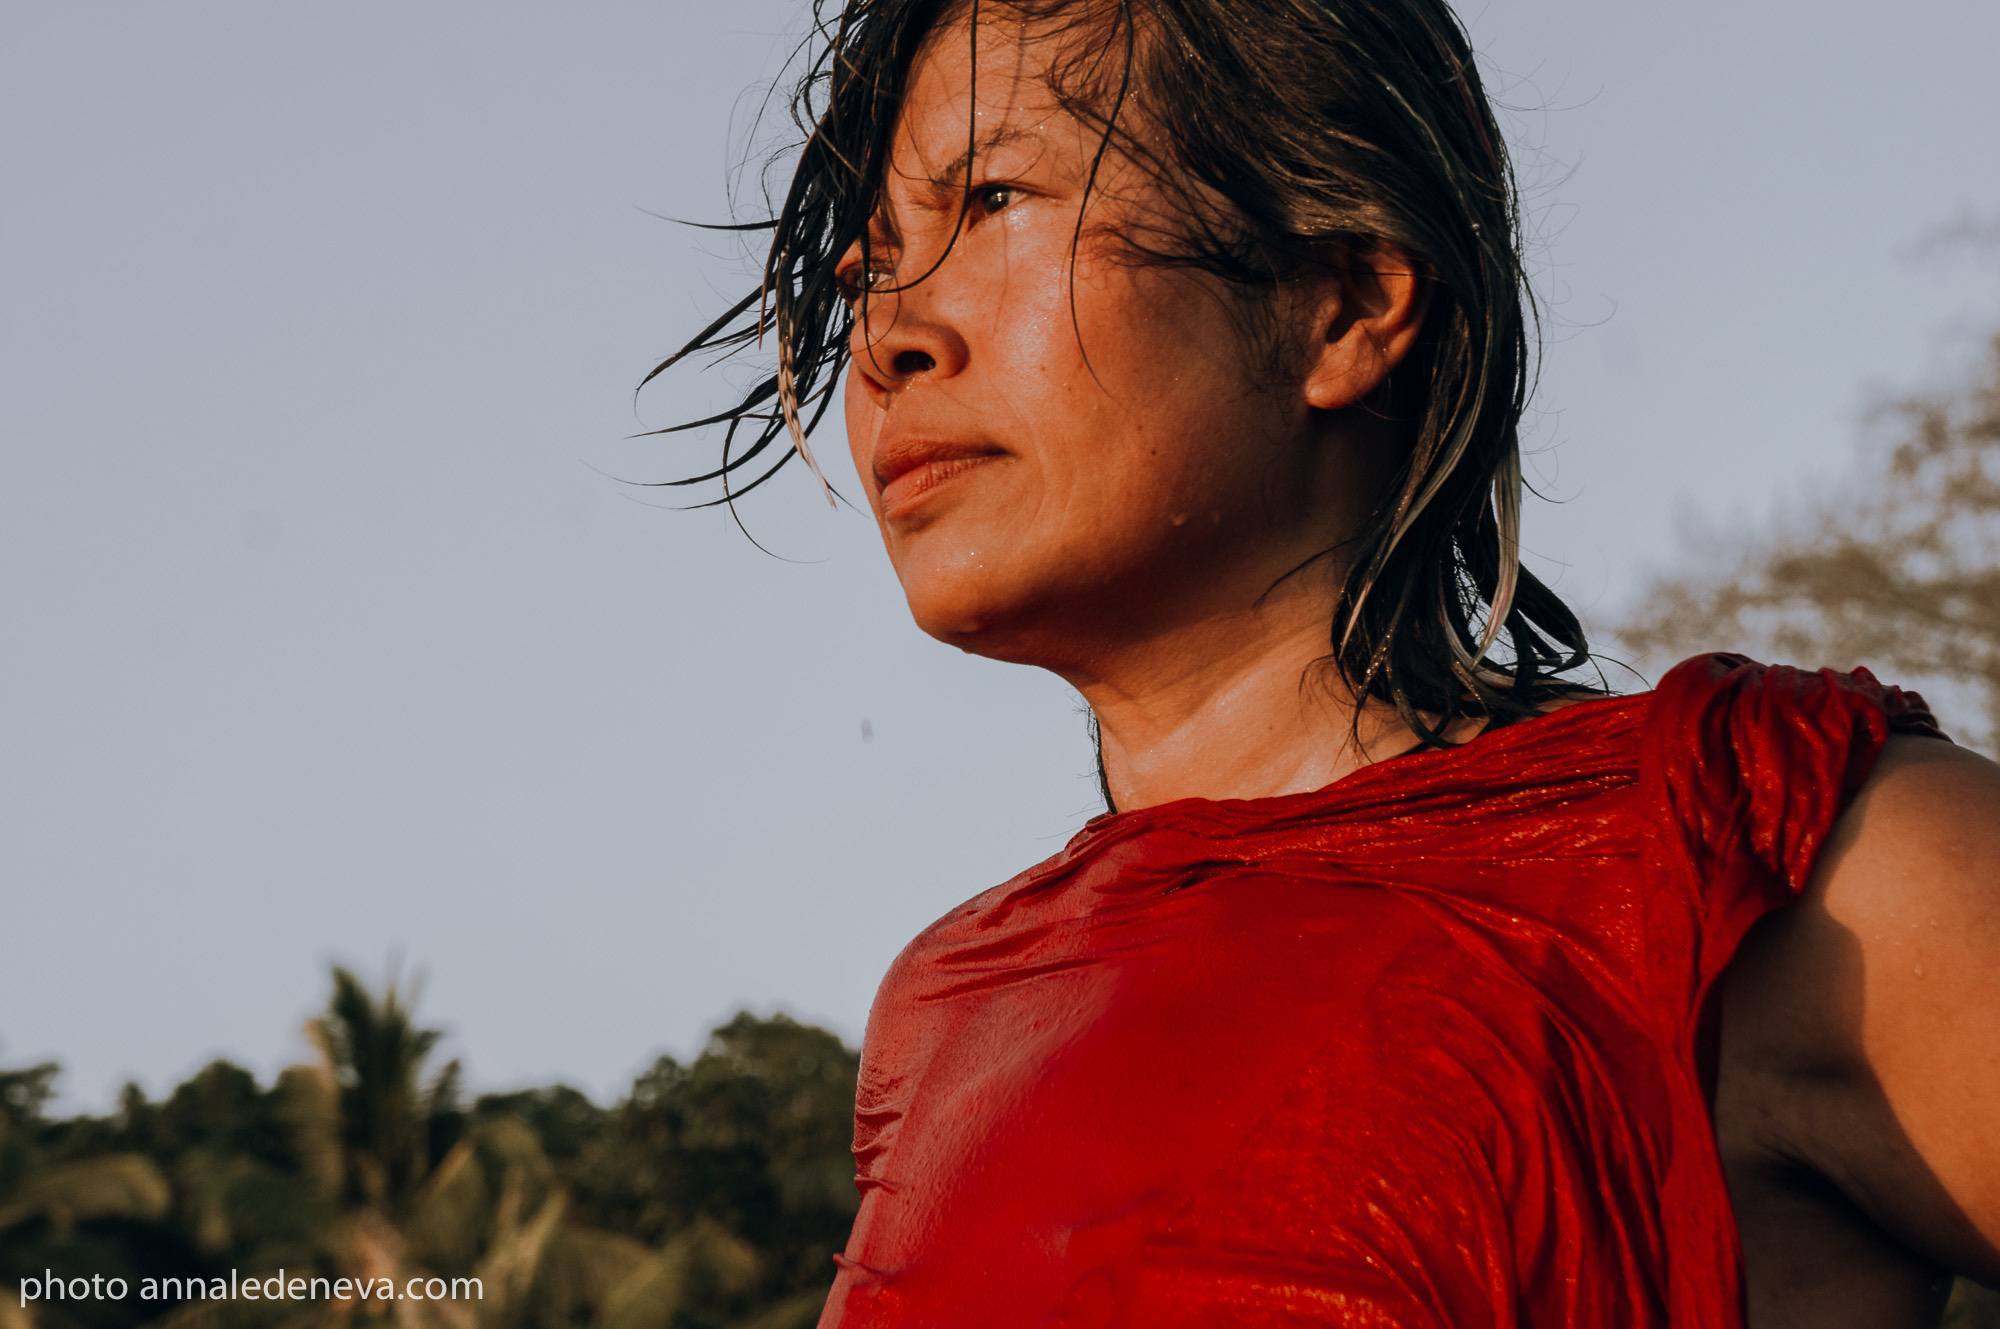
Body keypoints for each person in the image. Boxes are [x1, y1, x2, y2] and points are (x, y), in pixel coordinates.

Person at [645, 0, 2000, 1323]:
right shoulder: (949, 1011)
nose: (886, 335)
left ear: (1345, 299)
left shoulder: (1755, 862)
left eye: (993, 200)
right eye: (873, 262)